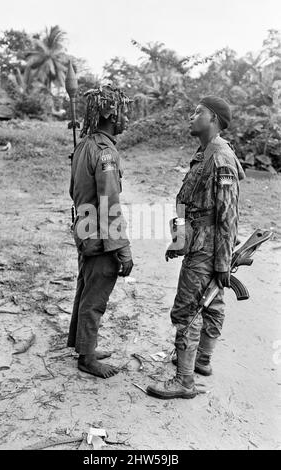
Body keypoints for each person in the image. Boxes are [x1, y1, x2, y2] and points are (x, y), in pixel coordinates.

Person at [147, 96, 245, 399]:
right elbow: (193, 206)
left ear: (213, 119)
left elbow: (227, 214)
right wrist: (180, 241)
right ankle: (201, 361)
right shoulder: (204, 153)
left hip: (208, 248)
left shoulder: (220, 158)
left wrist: (222, 263)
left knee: (187, 310)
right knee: (211, 303)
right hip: (201, 243)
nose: (192, 116)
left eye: (198, 112)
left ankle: (184, 381)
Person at [67, 85, 134, 379]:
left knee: (85, 289)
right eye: (123, 111)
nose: (126, 117)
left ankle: (84, 346)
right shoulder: (105, 153)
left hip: (85, 230)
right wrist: (123, 249)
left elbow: (74, 191)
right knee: (95, 297)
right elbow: (110, 204)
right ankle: (87, 358)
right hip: (100, 235)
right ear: (109, 112)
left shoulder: (83, 146)